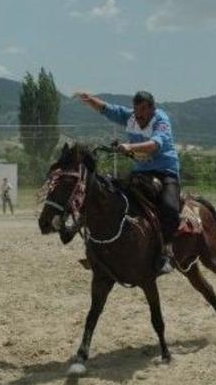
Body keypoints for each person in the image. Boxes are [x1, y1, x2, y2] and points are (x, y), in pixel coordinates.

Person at [77, 90, 180, 275]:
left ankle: (167, 251)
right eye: (135, 109)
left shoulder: (161, 120)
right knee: (110, 198)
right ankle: (100, 248)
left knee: (170, 208)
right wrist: (90, 100)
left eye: (141, 110)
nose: (137, 114)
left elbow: (156, 144)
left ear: (151, 109)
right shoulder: (131, 117)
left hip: (165, 172)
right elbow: (108, 110)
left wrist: (130, 146)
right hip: (140, 173)